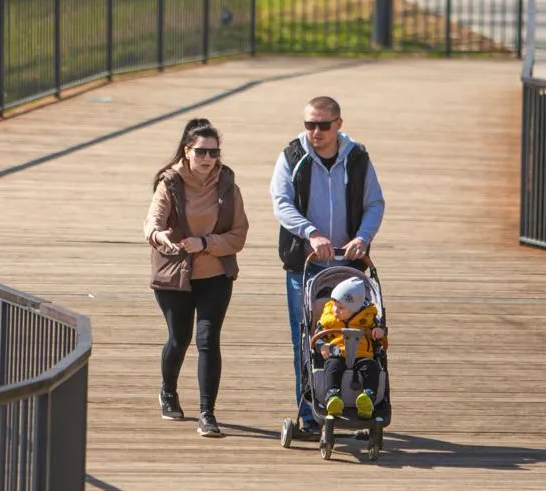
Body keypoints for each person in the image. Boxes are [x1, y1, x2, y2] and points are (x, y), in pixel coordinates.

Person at [269, 96, 386, 439]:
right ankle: (310, 412)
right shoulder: (292, 156)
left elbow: (374, 203)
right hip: (305, 266)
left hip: (348, 265)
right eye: (309, 124)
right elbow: (281, 203)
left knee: (358, 338)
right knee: (308, 339)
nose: (315, 132)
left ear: (339, 124)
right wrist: (311, 233)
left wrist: (363, 238)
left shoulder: (358, 158)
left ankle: (358, 402)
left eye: (323, 125)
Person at [145, 117, 249, 438]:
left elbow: (239, 234)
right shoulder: (169, 183)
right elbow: (151, 223)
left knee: (208, 341)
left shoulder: (228, 187)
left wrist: (205, 243)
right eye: (201, 152)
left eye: (213, 152)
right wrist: (161, 238)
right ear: (187, 151)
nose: (208, 159)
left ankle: (208, 413)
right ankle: (168, 391)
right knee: (179, 339)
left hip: (215, 273)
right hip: (175, 274)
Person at [317, 274, 386, 419]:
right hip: (337, 353)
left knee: (371, 368)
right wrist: (322, 345)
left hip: (362, 354)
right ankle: (333, 396)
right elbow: (318, 334)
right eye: (335, 305)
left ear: (355, 308)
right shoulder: (329, 318)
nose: (336, 310)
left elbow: (380, 334)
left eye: (341, 308)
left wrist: (379, 332)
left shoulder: (367, 318)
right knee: (332, 366)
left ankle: (368, 397)